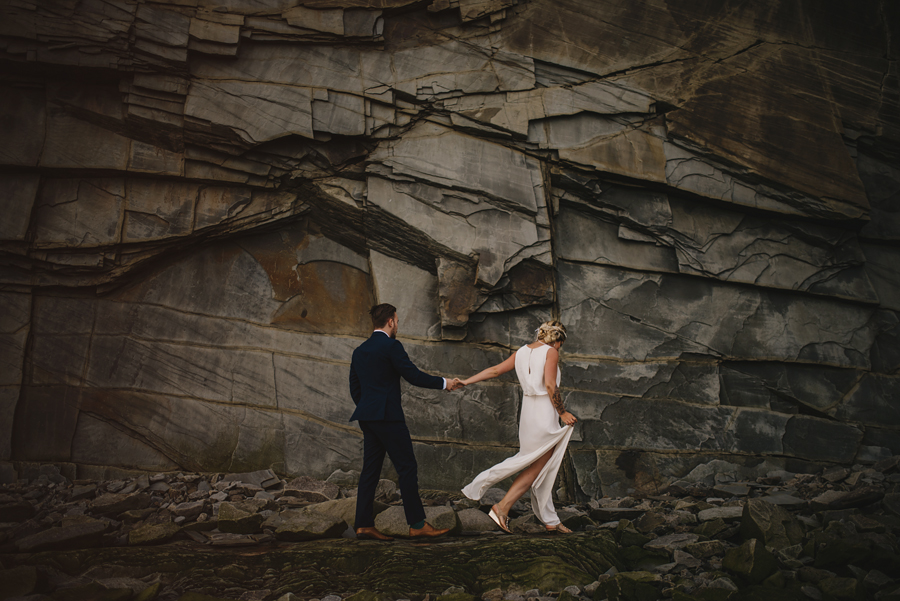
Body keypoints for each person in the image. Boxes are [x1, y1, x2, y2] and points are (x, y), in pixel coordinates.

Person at [349, 303, 464, 541]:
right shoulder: (392, 346)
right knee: (407, 468)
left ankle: (363, 525)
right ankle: (417, 524)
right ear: (390, 321)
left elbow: (355, 388)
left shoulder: (360, 351)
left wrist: (368, 408)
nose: (397, 325)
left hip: (368, 418)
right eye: (397, 321)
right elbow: (413, 375)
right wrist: (444, 383)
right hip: (388, 418)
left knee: (370, 471)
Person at [460, 320, 577, 534]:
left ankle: (550, 519)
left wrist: (467, 382)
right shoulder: (551, 352)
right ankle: (502, 507)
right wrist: (562, 412)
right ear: (558, 340)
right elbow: (550, 385)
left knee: (539, 465)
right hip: (544, 412)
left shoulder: (522, 351)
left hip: (528, 413)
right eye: (561, 343)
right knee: (536, 467)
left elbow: (495, 370)